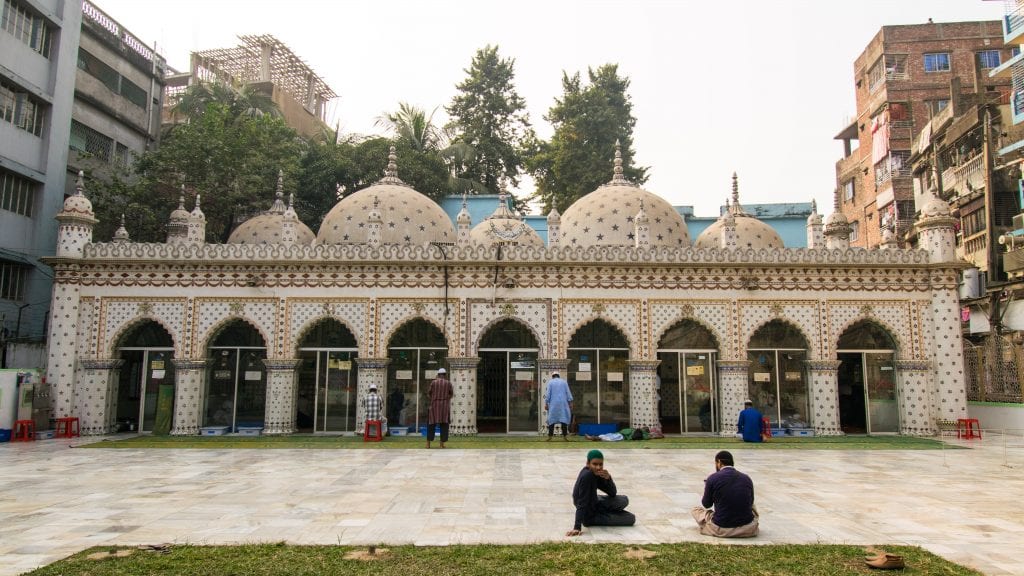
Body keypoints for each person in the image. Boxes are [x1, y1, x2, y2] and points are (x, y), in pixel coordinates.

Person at [566, 449, 635, 536]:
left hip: (595, 502)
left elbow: (612, 493)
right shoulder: (587, 476)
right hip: (589, 514)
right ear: (588, 463)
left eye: (600, 464)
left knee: (624, 500)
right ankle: (605, 515)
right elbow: (582, 502)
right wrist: (577, 527)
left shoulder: (596, 473)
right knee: (631, 518)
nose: (598, 467)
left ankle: (608, 513)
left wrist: (608, 479)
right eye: (594, 464)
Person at [691, 450, 758, 538]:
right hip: (747, 528)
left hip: (722, 527)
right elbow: (751, 502)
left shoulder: (713, 478)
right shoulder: (746, 478)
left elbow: (706, 504)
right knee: (752, 506)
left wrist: (708, 488)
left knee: (695, 510)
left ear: (719, 462)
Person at [427, 367, 453, 448]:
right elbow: (451, 394)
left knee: (431, 424)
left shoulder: (433, 382)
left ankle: (428, 444)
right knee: (444, 425)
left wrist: (434, 398)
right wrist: (445, 399)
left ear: (438, 375)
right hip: (444, 406)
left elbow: (429, 393)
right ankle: (441, 445)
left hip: (434, 405)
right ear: (445, 375)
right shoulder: (448, 383)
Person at [545, 371, 573, 441]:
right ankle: (565, 437)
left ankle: (550, 437)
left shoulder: (550, 382)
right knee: (563, 419)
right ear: (558, 376)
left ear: (553, 376)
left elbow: (548, 394)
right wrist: (571, 403)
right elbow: (568, 393)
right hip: (563, 404)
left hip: (553, 404)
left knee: (551, 420)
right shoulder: (564, 382)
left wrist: (546, 403)